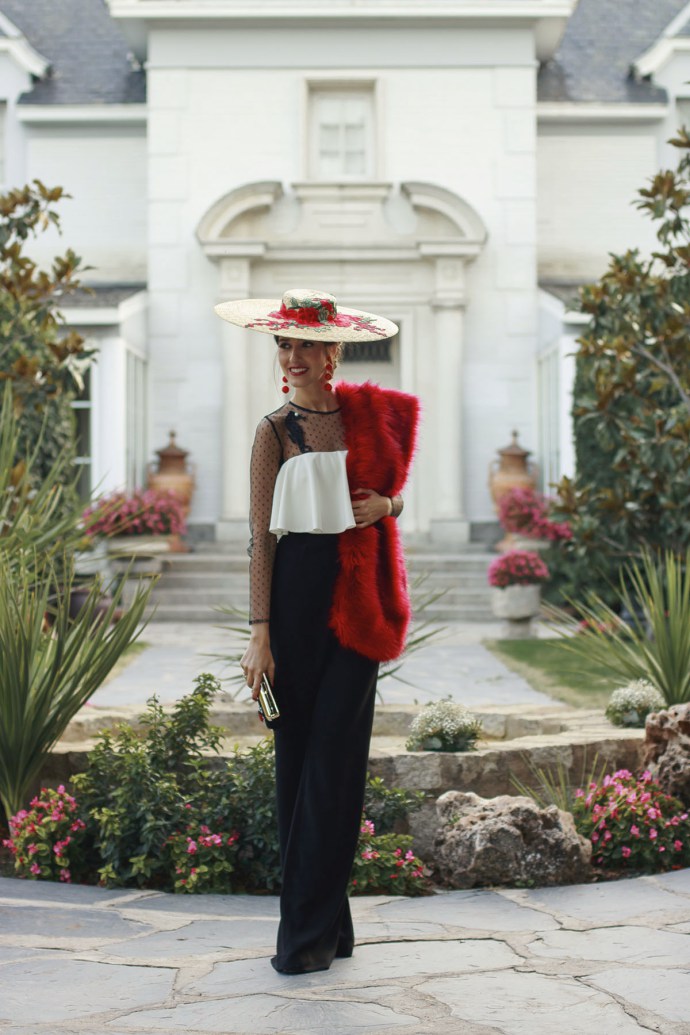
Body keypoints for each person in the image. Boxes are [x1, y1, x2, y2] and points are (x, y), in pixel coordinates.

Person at [214, 288, 420, 974]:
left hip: (360, 598)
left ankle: (303, 938)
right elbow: (258, 541)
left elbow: (398, 495)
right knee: (298, 762)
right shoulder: (273, 432)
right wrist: (259, 633)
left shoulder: (371, 417)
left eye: (306, 344)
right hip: (295, 595)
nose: (292, 356)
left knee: (337, 760)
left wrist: (386, 503)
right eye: (284, 344)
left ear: (334, 352)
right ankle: (333, 924)